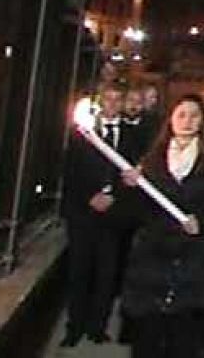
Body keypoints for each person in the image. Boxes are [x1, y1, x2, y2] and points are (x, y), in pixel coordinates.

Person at [116, 95, 204, 358]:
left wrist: (202, 222)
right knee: (148, 338)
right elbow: (133, 213)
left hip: (192, 260)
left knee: (183, 339)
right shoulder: (151, 161)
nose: (187, 121)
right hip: (153, 258)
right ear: (170, 119)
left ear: (202, 121)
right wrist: (130, 188)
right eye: (181, 114)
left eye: (194, 115)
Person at [60, 83, 144, 347]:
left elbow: (135, 175)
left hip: (114, 215)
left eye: (118, 99)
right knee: (79, 271)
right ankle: (74, 327)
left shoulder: (133, 135)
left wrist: (114, 196)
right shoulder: (82, 134)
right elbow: (71, 172)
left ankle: (98, 326)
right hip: (83, 214)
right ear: (99, 102)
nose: (113, 104)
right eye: (108, 99)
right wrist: (89, 197)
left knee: (106, 274)